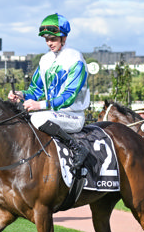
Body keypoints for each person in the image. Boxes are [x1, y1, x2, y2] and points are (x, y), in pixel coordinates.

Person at [7, 13, 90, 174]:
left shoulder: (76, 59)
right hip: (52, 114)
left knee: (38, 116)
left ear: (63, 38)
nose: (49, 43)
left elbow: (70, 95)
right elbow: (36, 90)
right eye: (46, 39)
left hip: (73, 115)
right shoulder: (45, 60)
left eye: (53, 39)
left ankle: (77, 148)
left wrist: (39, 105)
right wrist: (21, 94)